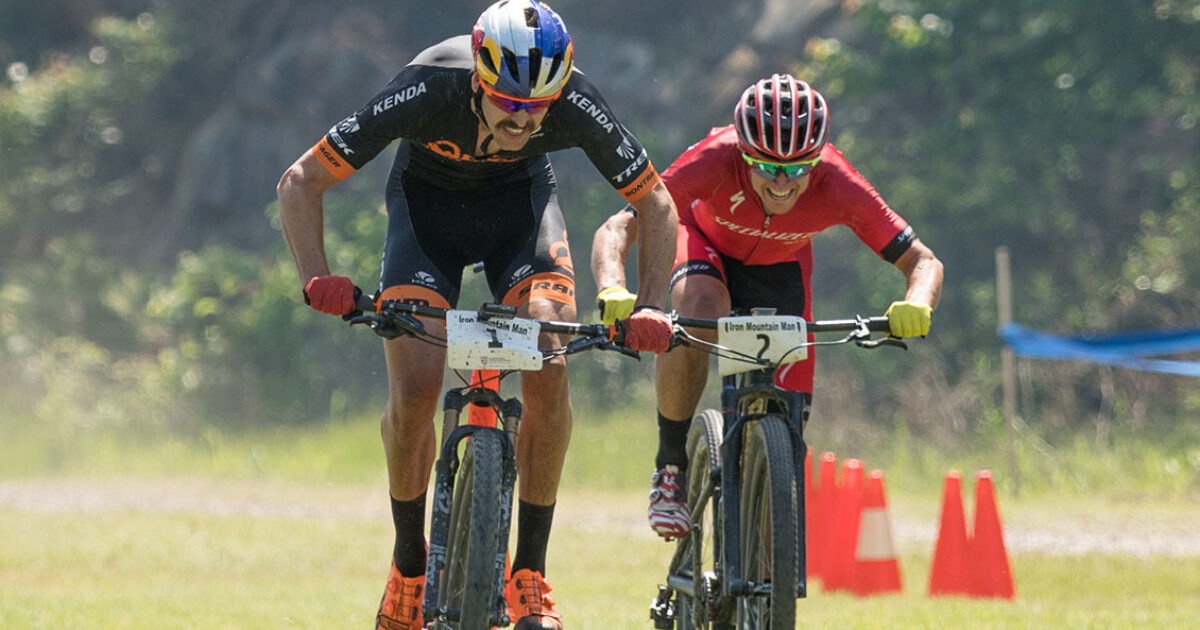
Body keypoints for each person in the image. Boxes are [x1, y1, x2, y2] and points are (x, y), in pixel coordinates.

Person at [276, 2, 677, 628]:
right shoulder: (429, 85)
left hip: (520, 213)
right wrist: (316, 278)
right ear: (478, 80)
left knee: (549, 357)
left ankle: (530, 574)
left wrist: (651, 304)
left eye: (537, 107)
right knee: (416, 388)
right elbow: (300, 181)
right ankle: (409, 567)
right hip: (425, 215)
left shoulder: (572, 101)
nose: (522, 119)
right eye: (508, 102)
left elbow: (657, 203)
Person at [590, 73, 944, 540]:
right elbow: (620, 226)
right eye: (765, 165)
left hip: (781, 268)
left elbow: (922, 261)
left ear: (817, 158)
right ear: (742, 152)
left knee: (790, 427)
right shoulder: (714, 158)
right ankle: (670, 466)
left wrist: (917, 302)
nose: (781, 181)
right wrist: (614, 288)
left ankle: (763, 529)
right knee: (701, 309)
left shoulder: (838, 181)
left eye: (798, 169)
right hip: (704, 245)